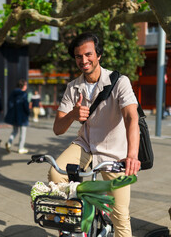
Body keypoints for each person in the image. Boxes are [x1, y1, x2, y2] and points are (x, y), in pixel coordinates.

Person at [49, 33, 141, 237]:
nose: (83, 60)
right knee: (56, 175)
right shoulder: (73, 87)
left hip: (114, 152)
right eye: (78, 56)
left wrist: (132, 155)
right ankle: (83, 206)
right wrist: (73, 114)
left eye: (88, 54)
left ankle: (101, 208)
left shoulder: (120, 82)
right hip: (85, 145)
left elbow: (131, 118)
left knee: (121, 215)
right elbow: (57, 128)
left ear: (98, 55)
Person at [4, 79, 30, 154]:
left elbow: (9, 104)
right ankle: (20, 148)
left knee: (15, 131)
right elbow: (26, 106)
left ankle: (9, 142)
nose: (26, 86)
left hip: (14, 116)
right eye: (26, 85)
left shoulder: (13, 93)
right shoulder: (24, 94)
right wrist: (28, 113)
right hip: (22, 117)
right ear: (23, 86)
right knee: (23, 132)